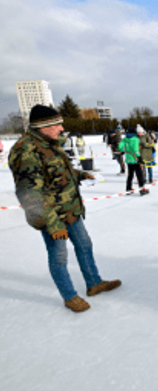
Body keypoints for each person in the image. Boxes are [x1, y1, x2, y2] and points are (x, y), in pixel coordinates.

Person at [8, 105, 121, 313]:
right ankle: (69, 296)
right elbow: (30, 195)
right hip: (52, 217)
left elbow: (58, 173)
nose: (62, 128)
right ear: (44, 127)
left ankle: (94, 283)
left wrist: (80, 175)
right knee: (59, 257)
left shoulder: (49, 143)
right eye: (57, 124)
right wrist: (52, 223)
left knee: (84, 245)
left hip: (70, 210)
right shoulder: (26, 150)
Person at [119, 127, 149, 195]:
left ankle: (128, 189)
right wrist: (139, 158)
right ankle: (142, 190)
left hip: (128, 160)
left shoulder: (125, 139)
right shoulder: (135, 139)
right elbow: (136, 150)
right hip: (135, 160)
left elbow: (120, 146)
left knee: (130, 175)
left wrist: (122, 151)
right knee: (139, 175)